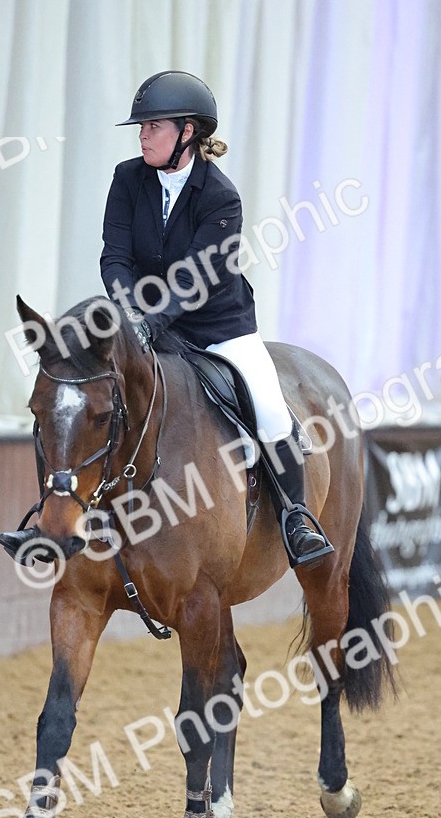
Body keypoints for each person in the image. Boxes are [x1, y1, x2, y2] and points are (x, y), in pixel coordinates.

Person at [100, 69, 330, 566]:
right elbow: (114, 257)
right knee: (89, 390)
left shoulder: (220, 197)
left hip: (216, 327)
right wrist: (127, 313)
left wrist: (150, 323)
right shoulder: (126, 179)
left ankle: (296, 517)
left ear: (188, 132)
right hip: (141, 320)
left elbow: (196, 279)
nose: (143, 135)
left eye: (154, 126)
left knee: (268, 406)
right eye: (141, 127)